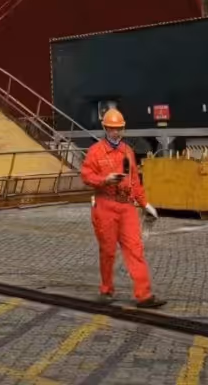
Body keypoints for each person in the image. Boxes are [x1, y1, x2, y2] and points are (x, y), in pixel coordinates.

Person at [79, 108, 165, 309]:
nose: (115, 132)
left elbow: (135, 182)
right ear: (105, 128)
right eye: (111, 128)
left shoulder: (128, 151)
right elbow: (86, 176)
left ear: (123, 129)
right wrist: (104, 180)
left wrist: (145, 204)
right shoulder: (95, 151)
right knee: (108, 251)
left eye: (118, 129)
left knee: (135, 249)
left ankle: (144, 295)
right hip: (105, 205)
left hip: (126, 207)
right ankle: (106, 290)